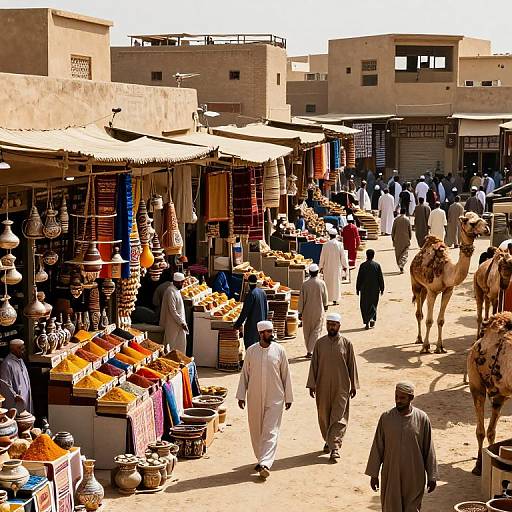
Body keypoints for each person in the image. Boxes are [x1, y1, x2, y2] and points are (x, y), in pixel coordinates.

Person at [365, 382, 438, 512]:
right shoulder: (386, 418)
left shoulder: (422, 419)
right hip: (391, 475)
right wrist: (374, 474)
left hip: (414, 477)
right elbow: (377, 447)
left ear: (411, 398)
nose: (398, 401)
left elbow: (429, 449)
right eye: (396, 397)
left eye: (402, 398)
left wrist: (432, 476)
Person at [236, 321, 293, 479]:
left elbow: (286, 375)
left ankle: (265, 463)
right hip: (254, 397)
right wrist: (241, 395)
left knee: (270, 430)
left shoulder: (280, 351)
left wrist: (289, 397)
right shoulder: (251, 351)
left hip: (275, 397)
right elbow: (244, 375)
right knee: (256, 430)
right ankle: (261, 457)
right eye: (267, 332)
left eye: (271, 331)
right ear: (260, 334)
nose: (270, 334)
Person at [306, 312, 359, 463]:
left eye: (334, 324)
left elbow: (352, 365)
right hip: (322, 386)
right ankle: (328, 440)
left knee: (339, 416)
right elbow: (314, 365)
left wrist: (354, 385)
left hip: (341, 386)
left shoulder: (347, 344)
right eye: (329, 324)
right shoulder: (319, 344)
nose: (331, 327)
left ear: (339, 326)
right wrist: (311, 384)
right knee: (324, 416)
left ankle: (334, 447)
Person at [298, 263, 328, 359]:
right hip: (318, 310)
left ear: (310, 272)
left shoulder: (305, 284)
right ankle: (310, 350)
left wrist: (300, 312)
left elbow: (301, 299)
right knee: (316, 330)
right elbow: (325, 296)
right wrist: (325, 305)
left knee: (307, 331)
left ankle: (309, 350)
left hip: (306, 311)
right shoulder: (321, 283)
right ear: (317, 272)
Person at [234, 274, 268, 350]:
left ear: (248, 283)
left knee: (251, 348)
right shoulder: (262, 292)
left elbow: (245, 312)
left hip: (252, 327)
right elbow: (266, 310)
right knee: (260, 348)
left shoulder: (251, 294)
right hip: (262, 325)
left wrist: (237, 325)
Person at [0, 339, 32, 413]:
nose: (24, 351)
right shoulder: (7, 364)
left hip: (26, 397)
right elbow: (5, 384)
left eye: (24, 349)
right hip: (17, 400)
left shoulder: (20, 360)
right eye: (21, 349)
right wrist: (14, 395)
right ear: (13, 349)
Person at [159, 272, 189, 352]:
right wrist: (181, 323)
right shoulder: (170, 292)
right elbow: (173, 311)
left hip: (179, 323)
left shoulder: (176, 290)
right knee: (170, 345)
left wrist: (182, 322)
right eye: (182, 282)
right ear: (177, 282)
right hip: (172, 324)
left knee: (180, 345)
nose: (183, 284)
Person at [356, 249, 385, 329]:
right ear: (373, 255)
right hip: (374, 289)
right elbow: (380, 278)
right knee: (373, 304)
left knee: (364, 305)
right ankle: (372, 318)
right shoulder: (377, 265)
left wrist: (357, 288)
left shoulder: (362, 265)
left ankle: (367, 321)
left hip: (364, 289)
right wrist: (382, 288)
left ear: (366, 255)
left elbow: (359, 278)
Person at [319, 228, 348, 306]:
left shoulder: (325, 245)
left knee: (327, 283)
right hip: (336, 267)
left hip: (327, 268)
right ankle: (335, 299)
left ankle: (327, 299)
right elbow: (343, 256)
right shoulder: (339, 244)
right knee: (336, 283)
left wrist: (320, 267)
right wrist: (345, 266)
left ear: (329, 235)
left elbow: (322, 257)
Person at [392, 208, 412, 273]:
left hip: (397, 239)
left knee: (398, 253)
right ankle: (402, 265)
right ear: (405, 212)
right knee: (405, 253)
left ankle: (400, 265)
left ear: (400, 212)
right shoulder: (407, 220)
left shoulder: (396, 220)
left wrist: (393, 238)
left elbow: (393, 230)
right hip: (406, 239)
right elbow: (410, 230)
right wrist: (410, 237)